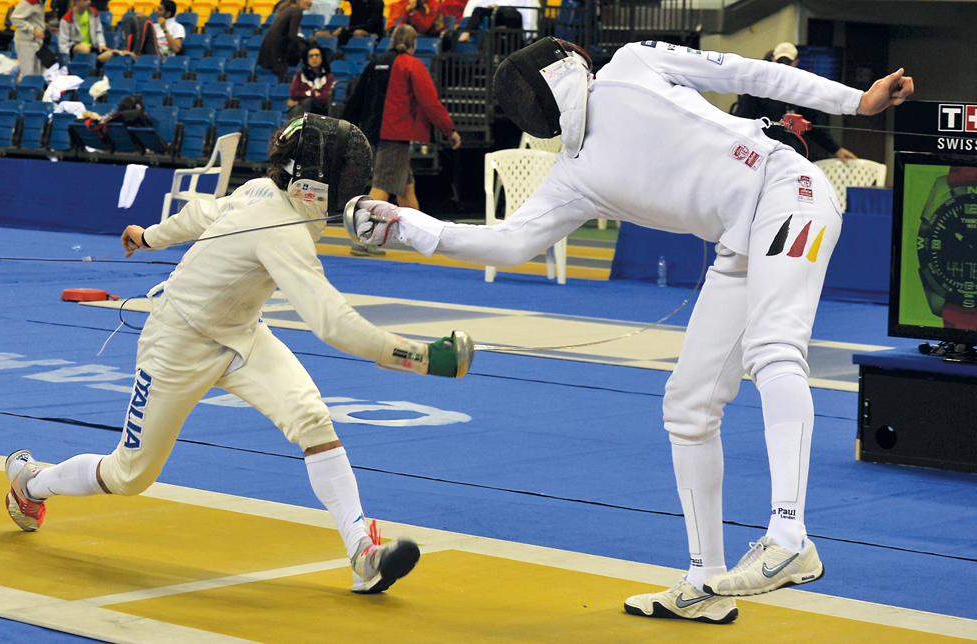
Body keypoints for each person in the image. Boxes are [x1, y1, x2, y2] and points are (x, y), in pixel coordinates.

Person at [348, 38, 913, 622]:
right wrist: (407, 226)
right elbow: (511, 243)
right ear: (568, 66)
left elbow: (751, 73)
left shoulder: (593, 134)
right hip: (740, 239)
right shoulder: (599, 122)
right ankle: (705, 583)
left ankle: (790, 538)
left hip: (790, 193)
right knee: (689, 406)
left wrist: (855, 102)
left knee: (773, 348)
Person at [3, 115, 475, 595]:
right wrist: (421, 357)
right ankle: (29, 482)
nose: (351, 185)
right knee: (129, 475)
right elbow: (332, 324)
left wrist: (148, 236)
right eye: (345, 173)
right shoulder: (280, 225)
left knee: (312, 420)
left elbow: (200, 213)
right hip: (176, 343)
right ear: (312, 177)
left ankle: (362, 554)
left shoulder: (261, 191)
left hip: (242, 334)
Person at [343, 24, 460, 258]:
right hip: (395, 135)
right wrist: (449, 130)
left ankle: (423, 235)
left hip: (373, 132)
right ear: (414, 43)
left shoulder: (376, 62)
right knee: (383, 186)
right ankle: (367, 239)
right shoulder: (411, 65)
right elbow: (430, 103)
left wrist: (345, 128)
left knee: (406, 188)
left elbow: (356, 98)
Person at [734, 42, 857, 163]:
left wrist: (836, 149)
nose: (783, 66)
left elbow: (812, 125)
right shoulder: (756, 88)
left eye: (787, 62)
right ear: (773, 60)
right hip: (764, 156)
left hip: (792, 156)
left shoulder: (800, 90)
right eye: (780, 62)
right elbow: (741, 123)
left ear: (795, 63)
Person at [258, 0, 311, 82]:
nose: (311, 2)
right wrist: (307, 42)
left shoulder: (288, 9)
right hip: (278, 50)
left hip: (269, 49)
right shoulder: (297, 12)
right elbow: (292, 36)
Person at [58, 0, 124, 65]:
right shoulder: (66, 19)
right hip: (75, 48)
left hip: (93, 48)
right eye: (85, 0)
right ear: (77, 1)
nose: (89, 2)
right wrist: (66, 59)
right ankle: (93, 60)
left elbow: (99, 31)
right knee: (84, 49)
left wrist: (101, 44)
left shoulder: (93, 13)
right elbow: (63, 43)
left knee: (111, 54)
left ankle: (95, 61)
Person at [288, 42, 334, 117]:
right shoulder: (300, 74)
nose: (314, 58)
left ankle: (298, 126)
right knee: (296, 108)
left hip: (321, 110)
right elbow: (293, 94)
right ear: (307, 59)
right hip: (303, 107)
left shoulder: (329, 76)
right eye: (311, 56)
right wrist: (314, 93)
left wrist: (303, 96)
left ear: (322, 57)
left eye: (317, 55)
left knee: (307, 102)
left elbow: (325, 99)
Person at [11, 0, 47, 79]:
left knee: (36, 74)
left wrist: (46, 27)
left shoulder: (42, 2)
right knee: (28, 75)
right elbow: (15, 18)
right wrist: (32, 29)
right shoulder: (31, 1)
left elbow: (34, 19)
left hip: (36, 42)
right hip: (26, 42)